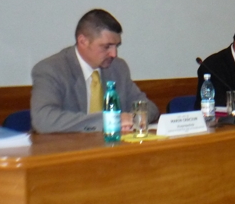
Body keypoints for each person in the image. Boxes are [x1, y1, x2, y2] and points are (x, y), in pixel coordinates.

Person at [31, 9, 159, 134]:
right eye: (106, 46)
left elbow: (148, 106)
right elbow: (43, 119)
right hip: (68, 146)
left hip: (114, 144)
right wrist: (109, 121)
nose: (114, 54)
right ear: (83, 41)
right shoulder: (51, 69)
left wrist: (133, 119)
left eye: (116, 46)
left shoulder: (118, 67)